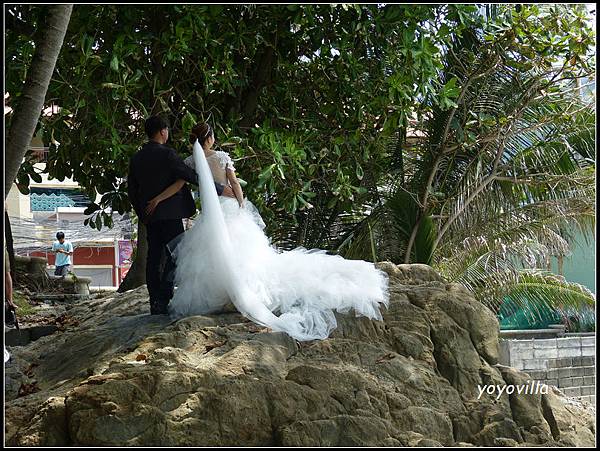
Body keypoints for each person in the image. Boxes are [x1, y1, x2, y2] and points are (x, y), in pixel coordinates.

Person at [148, 122, 389, 341]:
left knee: (209, 256)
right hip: (228, 211)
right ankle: (243, 291)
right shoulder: (221, 157)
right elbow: (234, 184)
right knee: (243, 253)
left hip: (210, 218)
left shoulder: (191, 162)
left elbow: (179, 184)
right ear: (209, 138)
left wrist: (157, 199)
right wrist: (241, 205)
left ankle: (220, 295)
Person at [127, 115, 236, 315]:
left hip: (150, 217)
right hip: (171, 215)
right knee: (177, 255)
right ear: (162, 131)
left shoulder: (137, 158)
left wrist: (142, 213)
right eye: (167, 130)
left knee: (153, 257)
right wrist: (218, 189)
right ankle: (166, 296)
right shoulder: (168, 154)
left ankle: (155, 302)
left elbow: (131, 190)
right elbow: (190, 176)